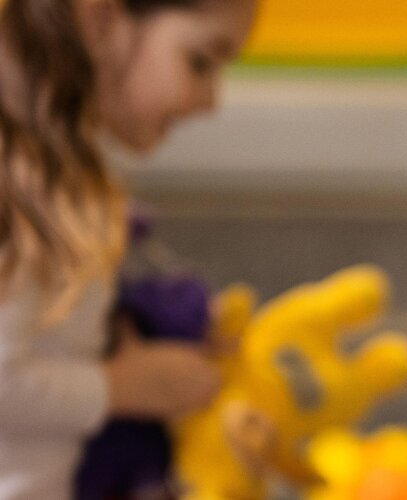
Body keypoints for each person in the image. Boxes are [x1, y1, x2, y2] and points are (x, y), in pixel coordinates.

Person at [0, 0, 256, 497]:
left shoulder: (62, 177)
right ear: (101, 21)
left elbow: (48, 339)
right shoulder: (26, 187)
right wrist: (124, 386)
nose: (211, 102)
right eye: (200, 62)